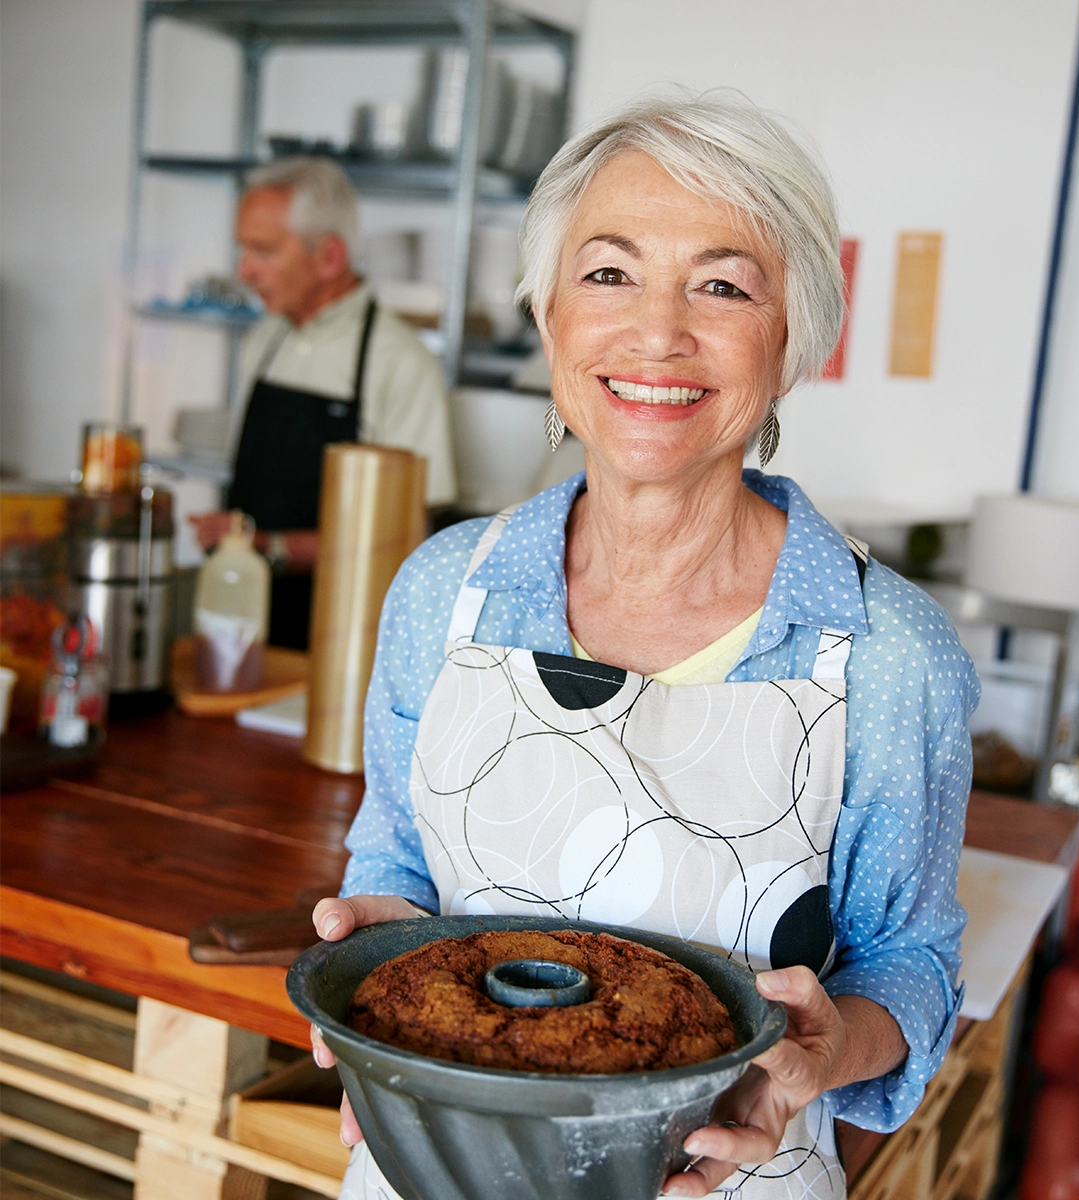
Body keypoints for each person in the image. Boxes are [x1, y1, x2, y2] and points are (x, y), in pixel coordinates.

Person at [311, 92, 979, 1200]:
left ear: (792, 340)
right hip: (434, 1169)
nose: (657, 332)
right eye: (609, 273)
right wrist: (377, 946)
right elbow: (396, 859)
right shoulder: (448, 592)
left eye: (722, 285)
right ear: (550, 312)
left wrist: (830, 1046)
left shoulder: (884, 650)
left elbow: (907, 967)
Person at [190, 157, 457, 648]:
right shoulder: (264, 341)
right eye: (242, 249)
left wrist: (266, 547)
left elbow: (405, 539)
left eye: (262, 251)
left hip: (341, 636)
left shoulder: (400, 363)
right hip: (243, 620)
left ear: (329, 257)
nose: (243, 271)